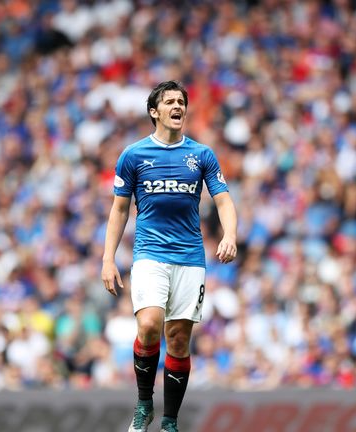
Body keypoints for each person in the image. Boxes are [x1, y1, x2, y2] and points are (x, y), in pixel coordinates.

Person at [101, 80, 237, 432]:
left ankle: (170, 421)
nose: (178, 106)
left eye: (182, 101)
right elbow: (119, 210)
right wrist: (107, 259)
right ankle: (144, 403)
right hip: (150, 253)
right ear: (154, 111)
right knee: (148, 325)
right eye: (171, 101)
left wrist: (230, 235)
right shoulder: (134, 155)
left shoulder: (202, 155)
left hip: (190, 257)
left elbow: (223, 199)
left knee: (177, 338)